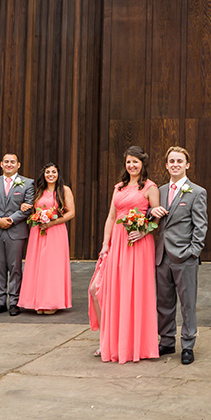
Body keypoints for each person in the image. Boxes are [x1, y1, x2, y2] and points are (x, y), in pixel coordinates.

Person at [88, 146, 160, 362]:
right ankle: (111, 341)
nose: (132, 166)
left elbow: (156, 217)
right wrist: (105, 244)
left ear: (142, 164)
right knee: (105, 290)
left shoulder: (150, 187)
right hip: (117, 243)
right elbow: (111, 217)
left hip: (138, 243)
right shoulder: (118, 187)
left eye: (135, 162)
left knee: (134, 291)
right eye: (129, 162)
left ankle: (135, 345)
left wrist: (143, 230)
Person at [149, 147, 208, 365]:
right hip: (162, 255)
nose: (175, 164)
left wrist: (193, 251)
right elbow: (151, 215)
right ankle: (166, 341)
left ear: (187, 165)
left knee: (187, 303)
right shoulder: (160, 190)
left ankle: (188, 344)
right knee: (164, 302)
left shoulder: (197, 192)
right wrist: (149, 213)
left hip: (184, 256)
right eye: (171, 161)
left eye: (179, 161)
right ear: (166, 165)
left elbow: (200, 225)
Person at [18, 163, 75, 315]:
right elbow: (32, 208)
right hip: (38, 231)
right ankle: (37, 301)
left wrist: (52, 222)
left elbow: (71, 212)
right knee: (38, 265)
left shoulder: (64, 190)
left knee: (52, 266)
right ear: (44, 175)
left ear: (58, 174)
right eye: (47, 172)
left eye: (53, 172)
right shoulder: (39, 191)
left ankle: (51, 302)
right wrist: (27, 208)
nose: (50, 174)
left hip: (56, 231)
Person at [0, 153, 34, 317]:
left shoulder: (28, 183)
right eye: (6, 162)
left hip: (15, 231)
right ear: (1, 164)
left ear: (19, 165)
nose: (9, 164)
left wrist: (10, 220)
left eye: (12, 162)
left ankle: (14, 302)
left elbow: (29, 206)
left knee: (15, 268)